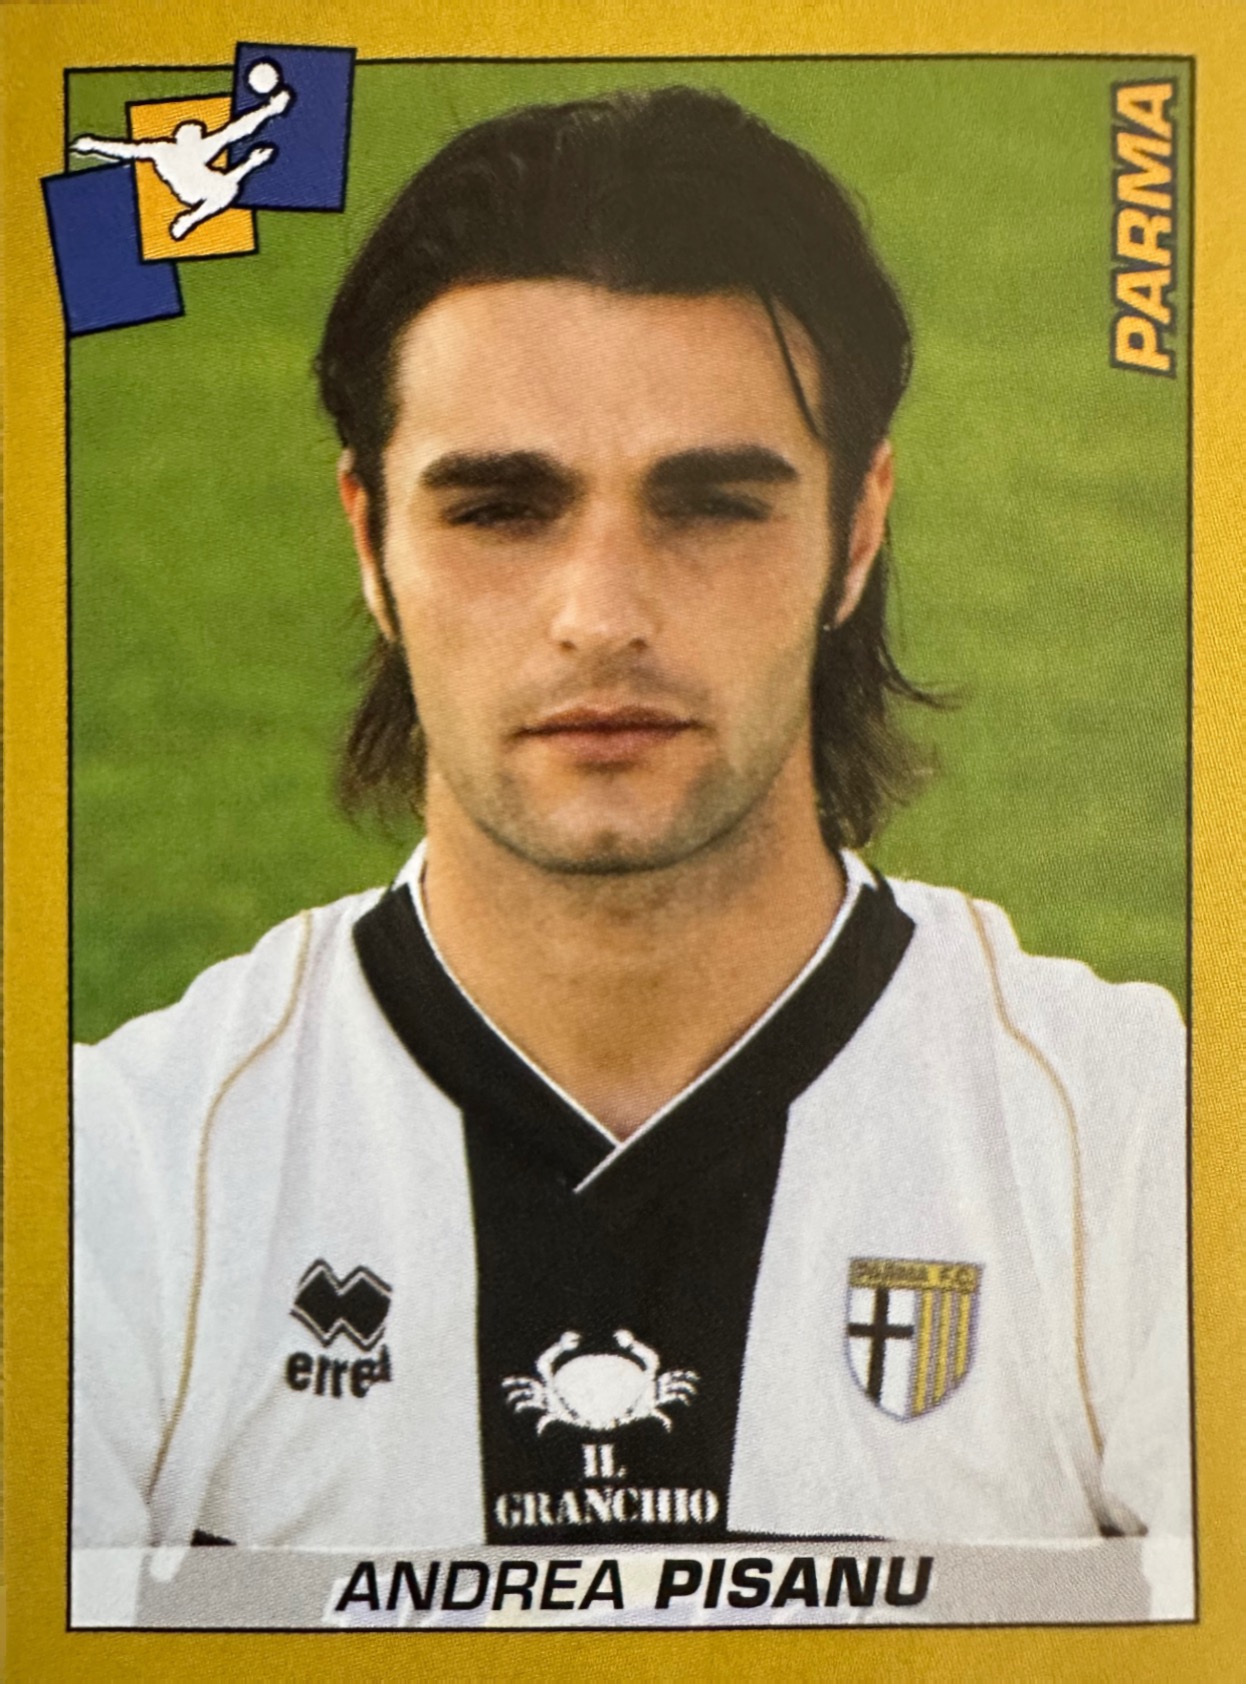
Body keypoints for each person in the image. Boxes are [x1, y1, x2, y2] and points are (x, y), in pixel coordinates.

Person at [73, 86, 1189, 1564]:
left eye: (711, 504)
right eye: (499, 510)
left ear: (856, 531)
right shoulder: (122, 1177)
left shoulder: (1142, 1147)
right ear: (370, 541)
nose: (601, 614)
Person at [72, 80, 291, 239]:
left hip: (203, 186)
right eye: (192, 132)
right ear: (180, 136)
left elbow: (237, 130)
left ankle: (249, 165)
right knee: (228, 187)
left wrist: (270, 110)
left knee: (228, 187)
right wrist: (94, 144)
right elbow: (126, 150)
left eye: (198, 132)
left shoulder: (199, 147)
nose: (197, 134)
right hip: (189, 191)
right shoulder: (163, 149)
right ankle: (191, 218)